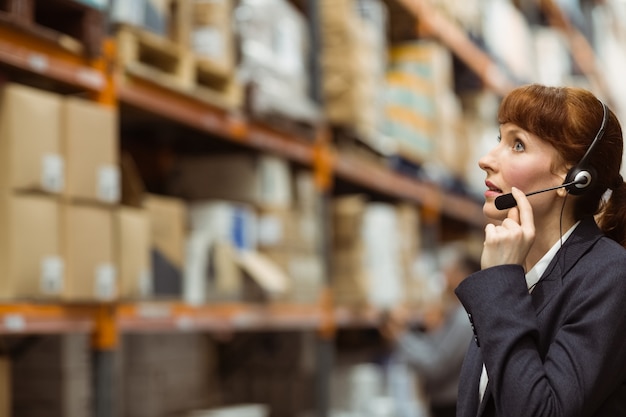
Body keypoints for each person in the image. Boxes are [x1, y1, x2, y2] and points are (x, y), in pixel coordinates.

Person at [454, 83, 626, 417]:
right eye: (498, 139)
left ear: (574, 177)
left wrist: (500, 281)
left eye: (517, 144)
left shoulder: (611, 277)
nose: (485, 160)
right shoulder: (523, 275)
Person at [380, 243, 481, 417]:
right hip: (446, 404)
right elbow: (433, 347)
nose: (444, 275)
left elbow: (435, 364)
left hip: (453, 407)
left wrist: (399, 335)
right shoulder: (456, 312)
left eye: (450, 270)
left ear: (462, 274)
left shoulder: (464, 318)